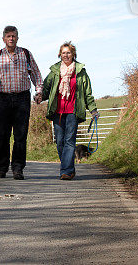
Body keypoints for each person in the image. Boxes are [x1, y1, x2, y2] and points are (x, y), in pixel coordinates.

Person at [0, 25, 43, 180]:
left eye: (13, 36)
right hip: (2, 99)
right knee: (2, 135)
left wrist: (39, 91)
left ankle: (18, 168)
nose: (11, 39)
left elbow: (36, 74)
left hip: (22, 98)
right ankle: (2, 168)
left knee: (20, 136)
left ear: (17, 38)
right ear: (3, 39)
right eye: (8, 36)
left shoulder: (26, 54)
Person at [36, 41, 99, 180]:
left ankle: (66, 171)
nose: (66, 55)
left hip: (73, 111)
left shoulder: (80, 72)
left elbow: (87, 93)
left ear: (73, 54)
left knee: (69, 141)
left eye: (68, 52)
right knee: (60, 142)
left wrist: (93, 110)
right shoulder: (54, 71)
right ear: (60, 54)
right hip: (57, 111)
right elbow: (46, 89)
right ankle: (69, 168)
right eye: (63, 53)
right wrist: (40, 96)